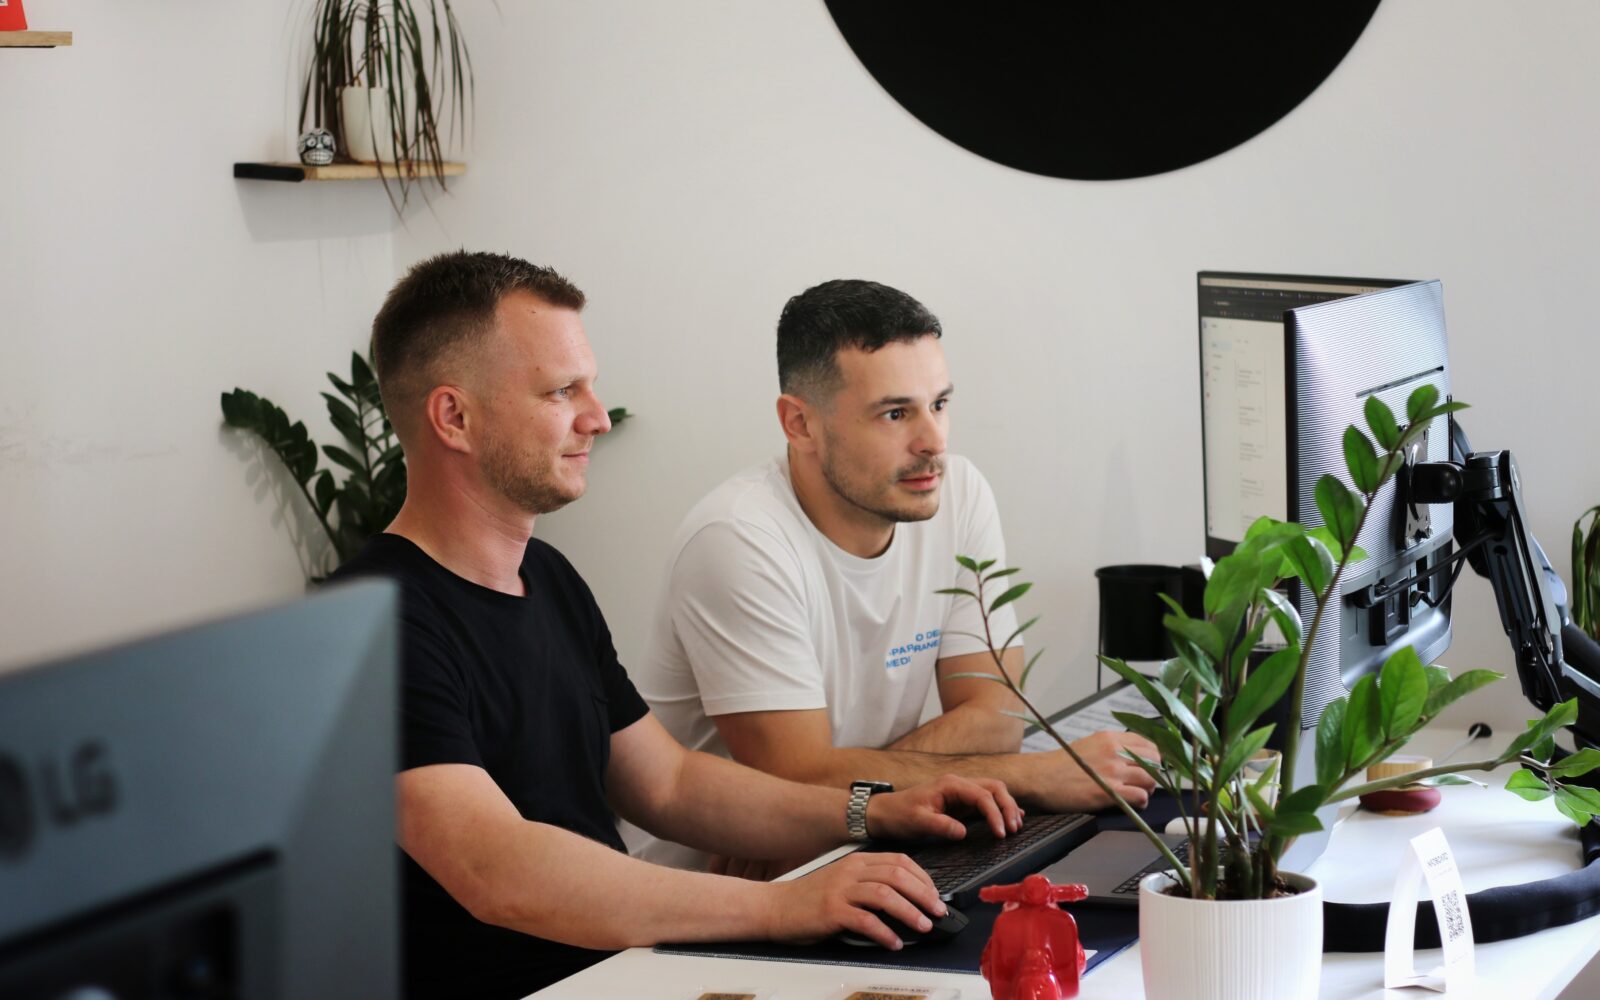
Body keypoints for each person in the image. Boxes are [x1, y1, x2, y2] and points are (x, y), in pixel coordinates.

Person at [329, 253, 1023, 999]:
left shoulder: (548, 577)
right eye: (562, 391)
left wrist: (872, 814)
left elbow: (668, 783)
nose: (597, 417)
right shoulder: (369, 623)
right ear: (454, 418)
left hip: (621, 975)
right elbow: (495, 868)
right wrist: (781, 906)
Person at [631, 279, 1156, 872]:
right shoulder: (737, 539)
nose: (933, 442)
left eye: (939, 405)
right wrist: (1035, 775)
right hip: (723, 890)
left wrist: (875, 789)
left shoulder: (957, 494)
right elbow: (794, 777)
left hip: (864, 846)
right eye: (895, 413)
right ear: (799, 423)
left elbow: (998, 716)